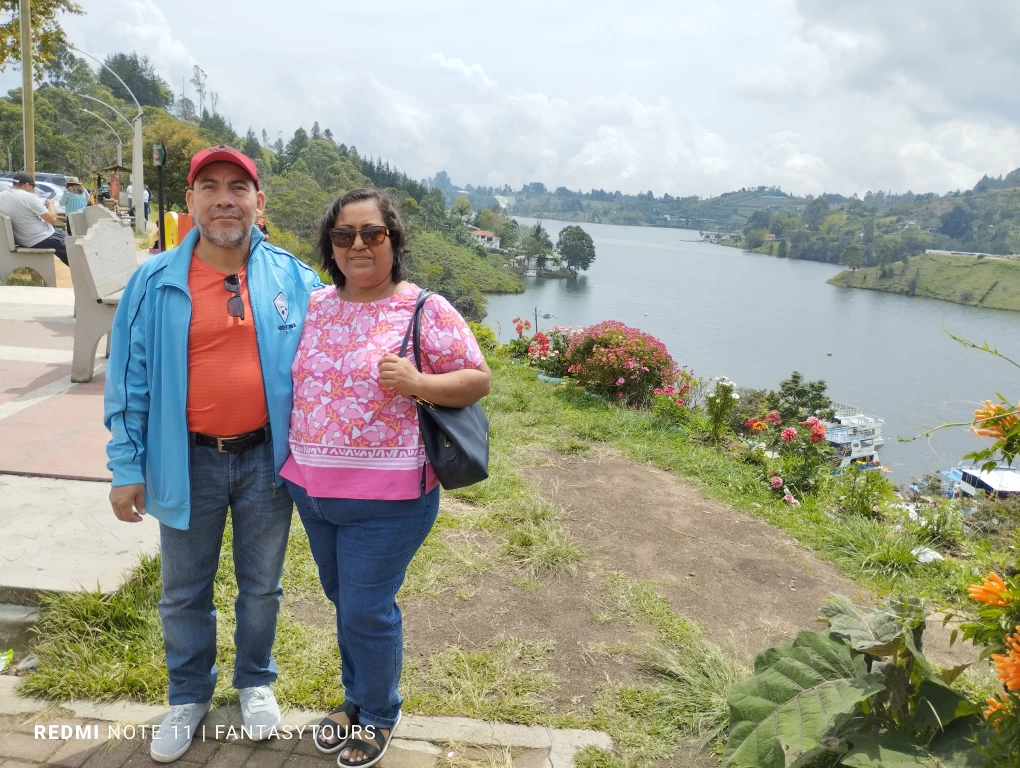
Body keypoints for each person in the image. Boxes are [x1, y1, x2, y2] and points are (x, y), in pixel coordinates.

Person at [103, 145, 321, 763]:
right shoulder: (155, 281)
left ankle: (255, 682)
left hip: (265, 459)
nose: (225, 197)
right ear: (192, 201)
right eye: (211, 186)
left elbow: (327, 358)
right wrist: (126, 467)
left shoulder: (292, 277)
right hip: (186, 458)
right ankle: (188, 694)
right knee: (182, 590)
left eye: (238, 187)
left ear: (258, 201)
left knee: (262, 586)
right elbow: (128, 379)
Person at [282, 188, 491, 767]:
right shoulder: (318, 304)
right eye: (344, 234)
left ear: (393, 241)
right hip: (312, 491)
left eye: (371, 233)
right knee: (344, 601)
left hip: (391, 497)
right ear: (331, 244)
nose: (358, 245)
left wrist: (420, 383)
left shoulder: (425, 308)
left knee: (366, 607)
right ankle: (355, 700)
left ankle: (377, 714)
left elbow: (477, 380)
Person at [0, 171, 68, 264]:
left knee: (67, 242)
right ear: (27, 185)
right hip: (41, 237)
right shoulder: (28, 197)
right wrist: (50, 204)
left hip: (23, 239)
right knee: (74, 246)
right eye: (33, 186)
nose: (33, 189)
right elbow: (52, 219)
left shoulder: (2, 196)